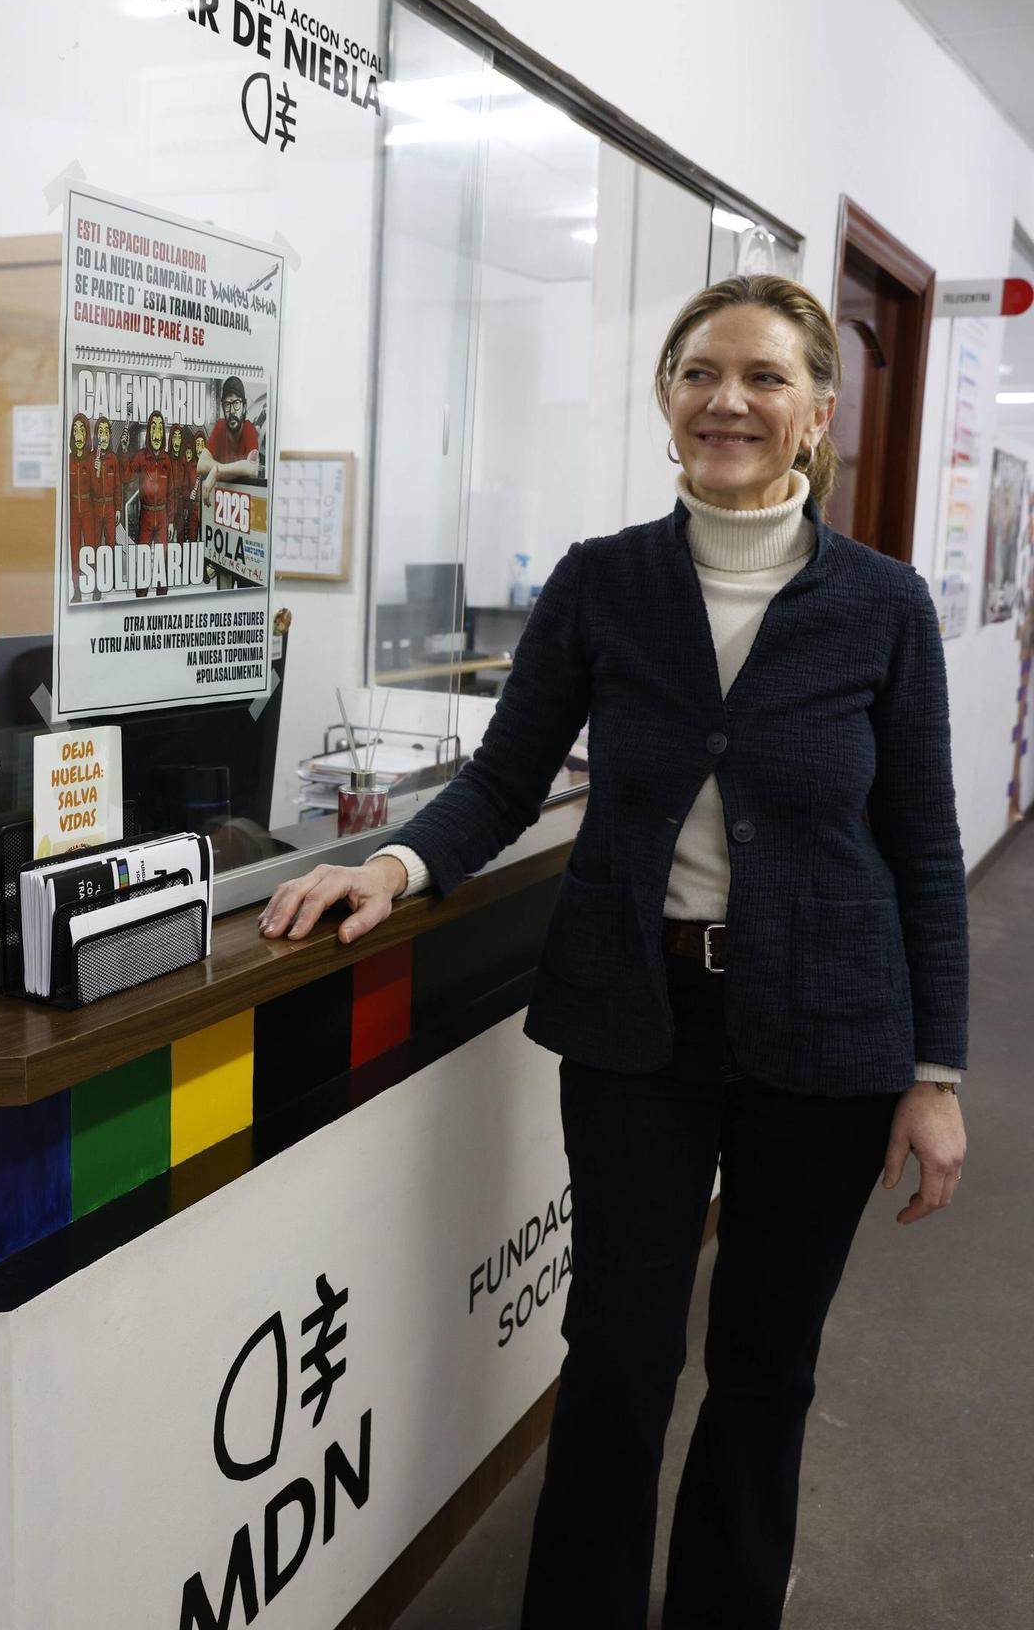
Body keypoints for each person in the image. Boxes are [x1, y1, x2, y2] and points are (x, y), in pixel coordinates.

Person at [257, 275, 969, 1630]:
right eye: (701, 372)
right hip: (638, 1026)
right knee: (616, 1356)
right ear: (665, 402)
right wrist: (395, 864)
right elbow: (505, 779)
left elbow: (922, 847)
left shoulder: (882, 606)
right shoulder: (605, 584)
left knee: (766, 1366)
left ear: (816, 412)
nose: (729, 400)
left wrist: (936, 1071)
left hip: (827, 1032)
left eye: (765, 378)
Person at [127, 409, 172, 597]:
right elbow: (127, 475)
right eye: (153, 427)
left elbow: (171, 492)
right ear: (149, 433)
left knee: (164, 558)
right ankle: (141, 595)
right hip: (145, 514)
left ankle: (162, 596)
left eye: (159, 428)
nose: (156, 432)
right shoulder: (140, 456)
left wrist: (169, 520)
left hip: (162, 516)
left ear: (162, 434)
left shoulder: (167, 459)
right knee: (143, 556)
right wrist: (124, 450)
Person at [197, 375, 260, 503]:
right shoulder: (220, 426)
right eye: (227, 404)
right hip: (222, 502)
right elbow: (201, 464)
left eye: (236, 403)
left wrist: (217, 471)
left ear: (244, 406)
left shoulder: (249, 429)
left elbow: (252, 468)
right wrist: (234, 470)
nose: (231, 411)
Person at [66, 412, 95, 604]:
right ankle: (76, 589)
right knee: (74, 550)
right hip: (72, 511)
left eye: (82, 430)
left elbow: (97, 488)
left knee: (91, 548)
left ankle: (95, 587)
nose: (78, 435)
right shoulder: (67, 459)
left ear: (86, 436)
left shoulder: (91, 460)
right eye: (75, 430)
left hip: (88, 509)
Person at [91, 415, 122, 563]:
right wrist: (94, 472)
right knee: (95, 542)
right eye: (100, 432)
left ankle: (111, 574)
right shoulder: (91, 458)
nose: (103, 437)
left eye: (106, 432)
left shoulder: (113, 459)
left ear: (110, 436)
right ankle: (96, 574)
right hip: (96, 507)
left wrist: (118, 509)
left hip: (110, 507)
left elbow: (117, 485)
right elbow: (89, 488)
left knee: (111, 541)